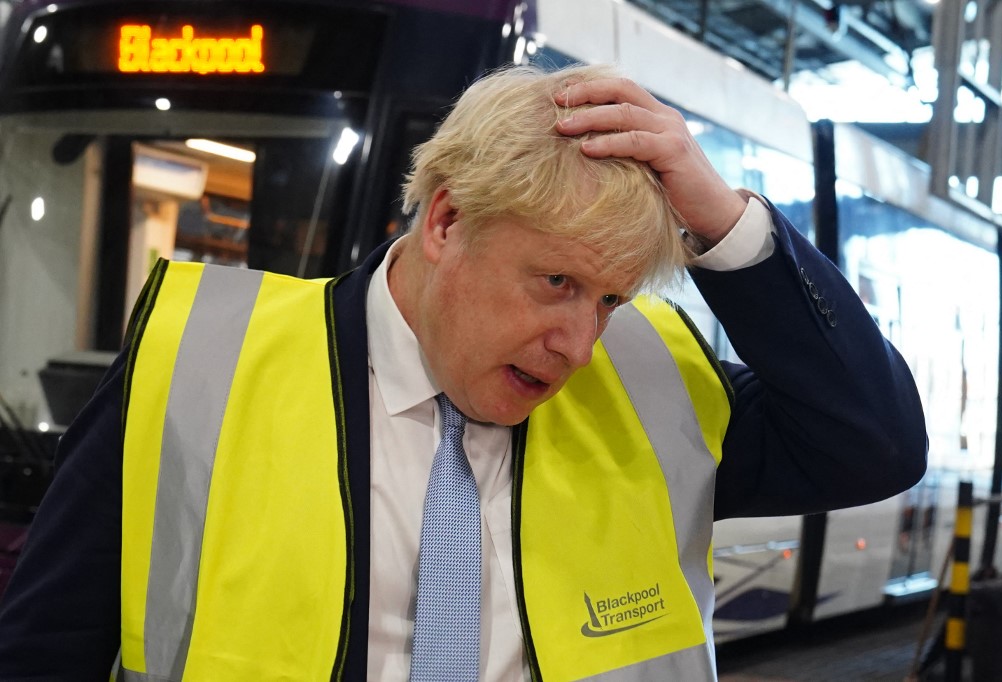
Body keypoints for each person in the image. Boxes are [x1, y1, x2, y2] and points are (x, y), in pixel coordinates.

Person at [0, 63, 927, 681]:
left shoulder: (653, 389)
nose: (579, 345)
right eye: (555, 281)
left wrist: (725, 224)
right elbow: (44, 652)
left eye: (606, 300)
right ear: (445, 223)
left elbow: (874, 445)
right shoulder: (201, 369)